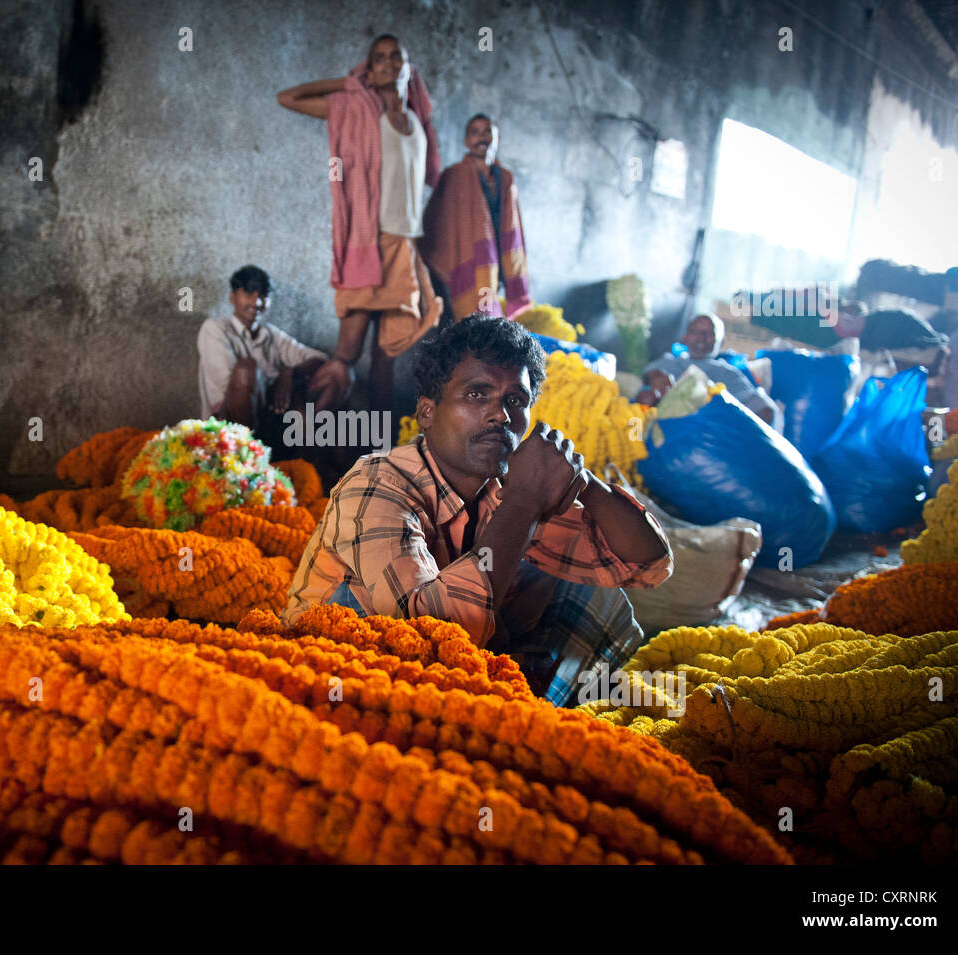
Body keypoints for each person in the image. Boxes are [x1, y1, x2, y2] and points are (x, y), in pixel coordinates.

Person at [284, 314, 673, 703]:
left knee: (587, 594)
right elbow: (426, 637)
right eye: (476, 394)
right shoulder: (377, 484)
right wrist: (523, 503)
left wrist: (582, 481)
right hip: (331, 680)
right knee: (482, 581)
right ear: (427, 413)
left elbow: (648, 562)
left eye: (515, 401)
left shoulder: (501, 489)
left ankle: (531, 709)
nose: (500, 415)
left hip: (436, 675)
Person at [276, 33, 444, 414]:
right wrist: (347, 83)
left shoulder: (418, 122)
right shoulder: (356, 108)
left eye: (395, 57)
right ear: (370, 68)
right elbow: (287, 98)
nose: (388, 64)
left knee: (386, 358)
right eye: (379, 58)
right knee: (345, 358)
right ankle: (314, 440)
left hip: (405, 245)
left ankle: (380, 449)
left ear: (408, 65)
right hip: (370, 242)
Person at [197, 265, 350, 429]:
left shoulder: (271, 334)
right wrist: (276, 384)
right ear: (232, 297)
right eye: (248, 294)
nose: (256, 302)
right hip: (229, 421)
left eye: (263, 295)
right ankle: (246, 450)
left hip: (271, 417)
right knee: (246, 370)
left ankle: (311, 438)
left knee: (338, 369)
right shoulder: (215, 328)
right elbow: (228, 387)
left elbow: (320, 358)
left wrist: (288, 374)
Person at [420, 113, 531, 320]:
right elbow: (434, 221)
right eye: (474, 132)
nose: (482, 138)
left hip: (493, 268)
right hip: (459, 267)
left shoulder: (506, 178)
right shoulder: (453, 176)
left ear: (497, 139)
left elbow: (514, 227)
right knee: (460, 330)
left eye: (488, 132)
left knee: (485, 325)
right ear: (466, 141)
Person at [644, 314, 780, 428]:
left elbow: (764, 410)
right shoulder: (668, 363)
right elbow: (648, 376)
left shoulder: (727, 373)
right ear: (684, 338)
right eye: (694, 331)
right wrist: (656, 379)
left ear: (721, 341)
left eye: (709, 333)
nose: (701, 337)